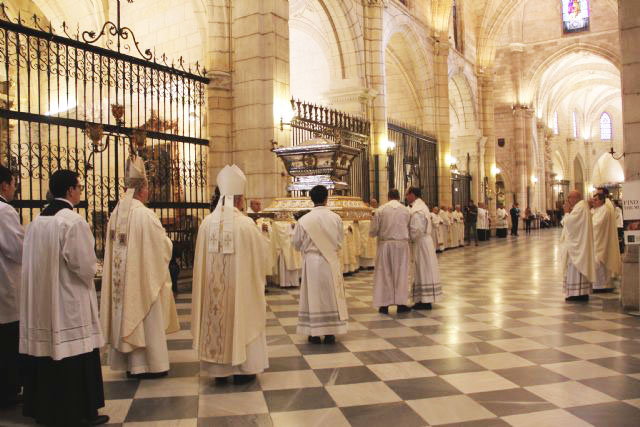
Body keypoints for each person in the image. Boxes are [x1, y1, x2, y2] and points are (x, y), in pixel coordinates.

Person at [20, 170, 108, 426]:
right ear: (70, 190)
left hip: (42, 303)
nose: (80, 191)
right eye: (79, 187)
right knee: (74, 354)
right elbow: (84, 265)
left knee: (49, 355)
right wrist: (94, 269)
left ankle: (46, 410)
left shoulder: (37, 222)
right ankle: (79, 411)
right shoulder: (72, 221)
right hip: (68, 303)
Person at [100, 155, 180, 379]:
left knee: (124, 310)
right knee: (146, 316)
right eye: (148, 187)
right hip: (141, 280)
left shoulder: (116, 214)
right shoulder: (145, 215)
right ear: (142, 189)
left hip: (121, 283)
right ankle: (150, 364)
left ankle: (130, 364)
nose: (149, 192)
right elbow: (163, 246)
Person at [191, 165, 270, 384]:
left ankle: (219, 370)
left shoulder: (206, 224)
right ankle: (244, 369)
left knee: (217, 314)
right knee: (242, 314)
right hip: (240, 292)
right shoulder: (246, 225)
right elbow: (261, 259)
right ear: (239, 199)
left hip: (213, 294)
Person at [293, 185, 348, 344]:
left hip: (311, 262)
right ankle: (331, 332)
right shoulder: (335, 218)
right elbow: (339, 242)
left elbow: (296, 243)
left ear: (311, 198)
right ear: (326, 198)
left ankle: (314, 333)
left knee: (313, 296)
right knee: (330, 295)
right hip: (330, 260)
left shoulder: (304, 220)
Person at [0, 165, 23, 408]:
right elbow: (16, 249)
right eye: (13, 184)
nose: (15, 188)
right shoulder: (4, 211)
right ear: (4, 185)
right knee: (7, 343)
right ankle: (8, 391)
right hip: (5, 284)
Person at [370, 189, 411, 314]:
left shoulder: (381, 210)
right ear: (399, 197)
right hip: (402, 245)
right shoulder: (406, 210)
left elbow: (373, 230)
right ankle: (401, 304)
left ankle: (384, 305)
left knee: (384, 273)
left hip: (385, 245)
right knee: (401, 273)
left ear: (388, 197)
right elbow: (409, 227)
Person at [405, 187, 442, 310]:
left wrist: (407, 237)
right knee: (422, 269)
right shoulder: (421, 207)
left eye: (407, 194)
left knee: (423, 269)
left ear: (413, 195)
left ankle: (425, 301)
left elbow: (416, 230)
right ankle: (421, 298)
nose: (406, 197)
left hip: (421, 243)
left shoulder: (418, 210)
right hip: (424, 242)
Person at [561, 190, 595, 302]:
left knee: (574, 267)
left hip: (577, 246)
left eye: (569, 197)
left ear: (575, 198)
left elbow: (570, 223)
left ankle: (577, 294)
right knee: (573, 268)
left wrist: (566, 212)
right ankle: (579, 293)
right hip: (579, 243)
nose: (568, 200)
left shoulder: (580, 207)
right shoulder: (582, 206)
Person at [591, 191, 621, 293]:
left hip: (601, 240)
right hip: (598, 239)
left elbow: (597, 225)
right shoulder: (598, 210)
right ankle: (598, 284)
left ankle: (603, 285)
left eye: (595, 200)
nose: (593, 202)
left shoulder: (604, 210)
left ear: (601, 200)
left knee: (599, 262)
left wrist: (588, 224)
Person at [358, 199, 377, 269]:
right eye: (372, 202)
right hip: (365, 232)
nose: (374, 203)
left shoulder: (376, 212)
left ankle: (371, 264)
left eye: (375, 202)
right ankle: (363, 264)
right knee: (365, 248)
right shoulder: (362, 216)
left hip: (370, 233)